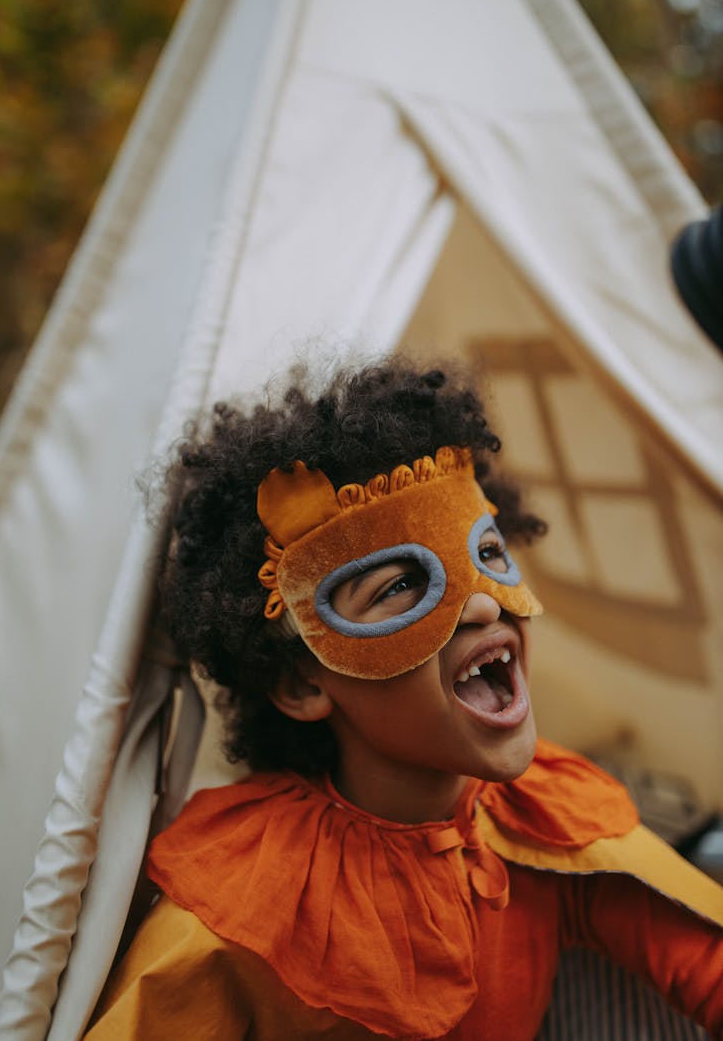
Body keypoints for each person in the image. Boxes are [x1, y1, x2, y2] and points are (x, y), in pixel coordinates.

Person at [85, 357, 723, 1040]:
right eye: (398, 588)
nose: (482, 604)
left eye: (488, 554)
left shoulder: (549, 833)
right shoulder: (245, 908)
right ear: (303, 683)